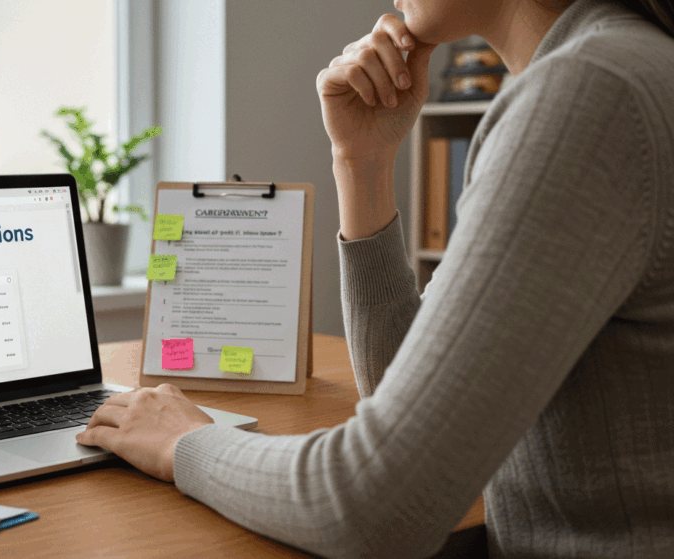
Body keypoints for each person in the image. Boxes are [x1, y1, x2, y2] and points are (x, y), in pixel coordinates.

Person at [76, 0, 674, 556]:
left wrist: (183, 443)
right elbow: (405, 390)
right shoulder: (605, 70)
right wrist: (361, 161)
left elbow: (376, 506)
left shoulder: (590, 92)